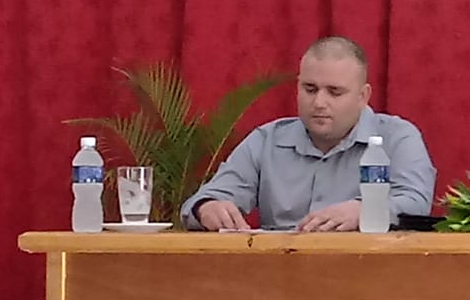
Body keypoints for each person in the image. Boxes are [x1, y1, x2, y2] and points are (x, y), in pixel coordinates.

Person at [183, 37, 435, 232]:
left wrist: (364, 210)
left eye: (334, 92)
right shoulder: (266, 140)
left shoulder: (397, 138)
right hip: (278, 272)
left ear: (363, 96)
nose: (319, 103)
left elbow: (416, 202)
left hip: (368, 270)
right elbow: (206, 199)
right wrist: (208, 208)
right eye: (310, 89)